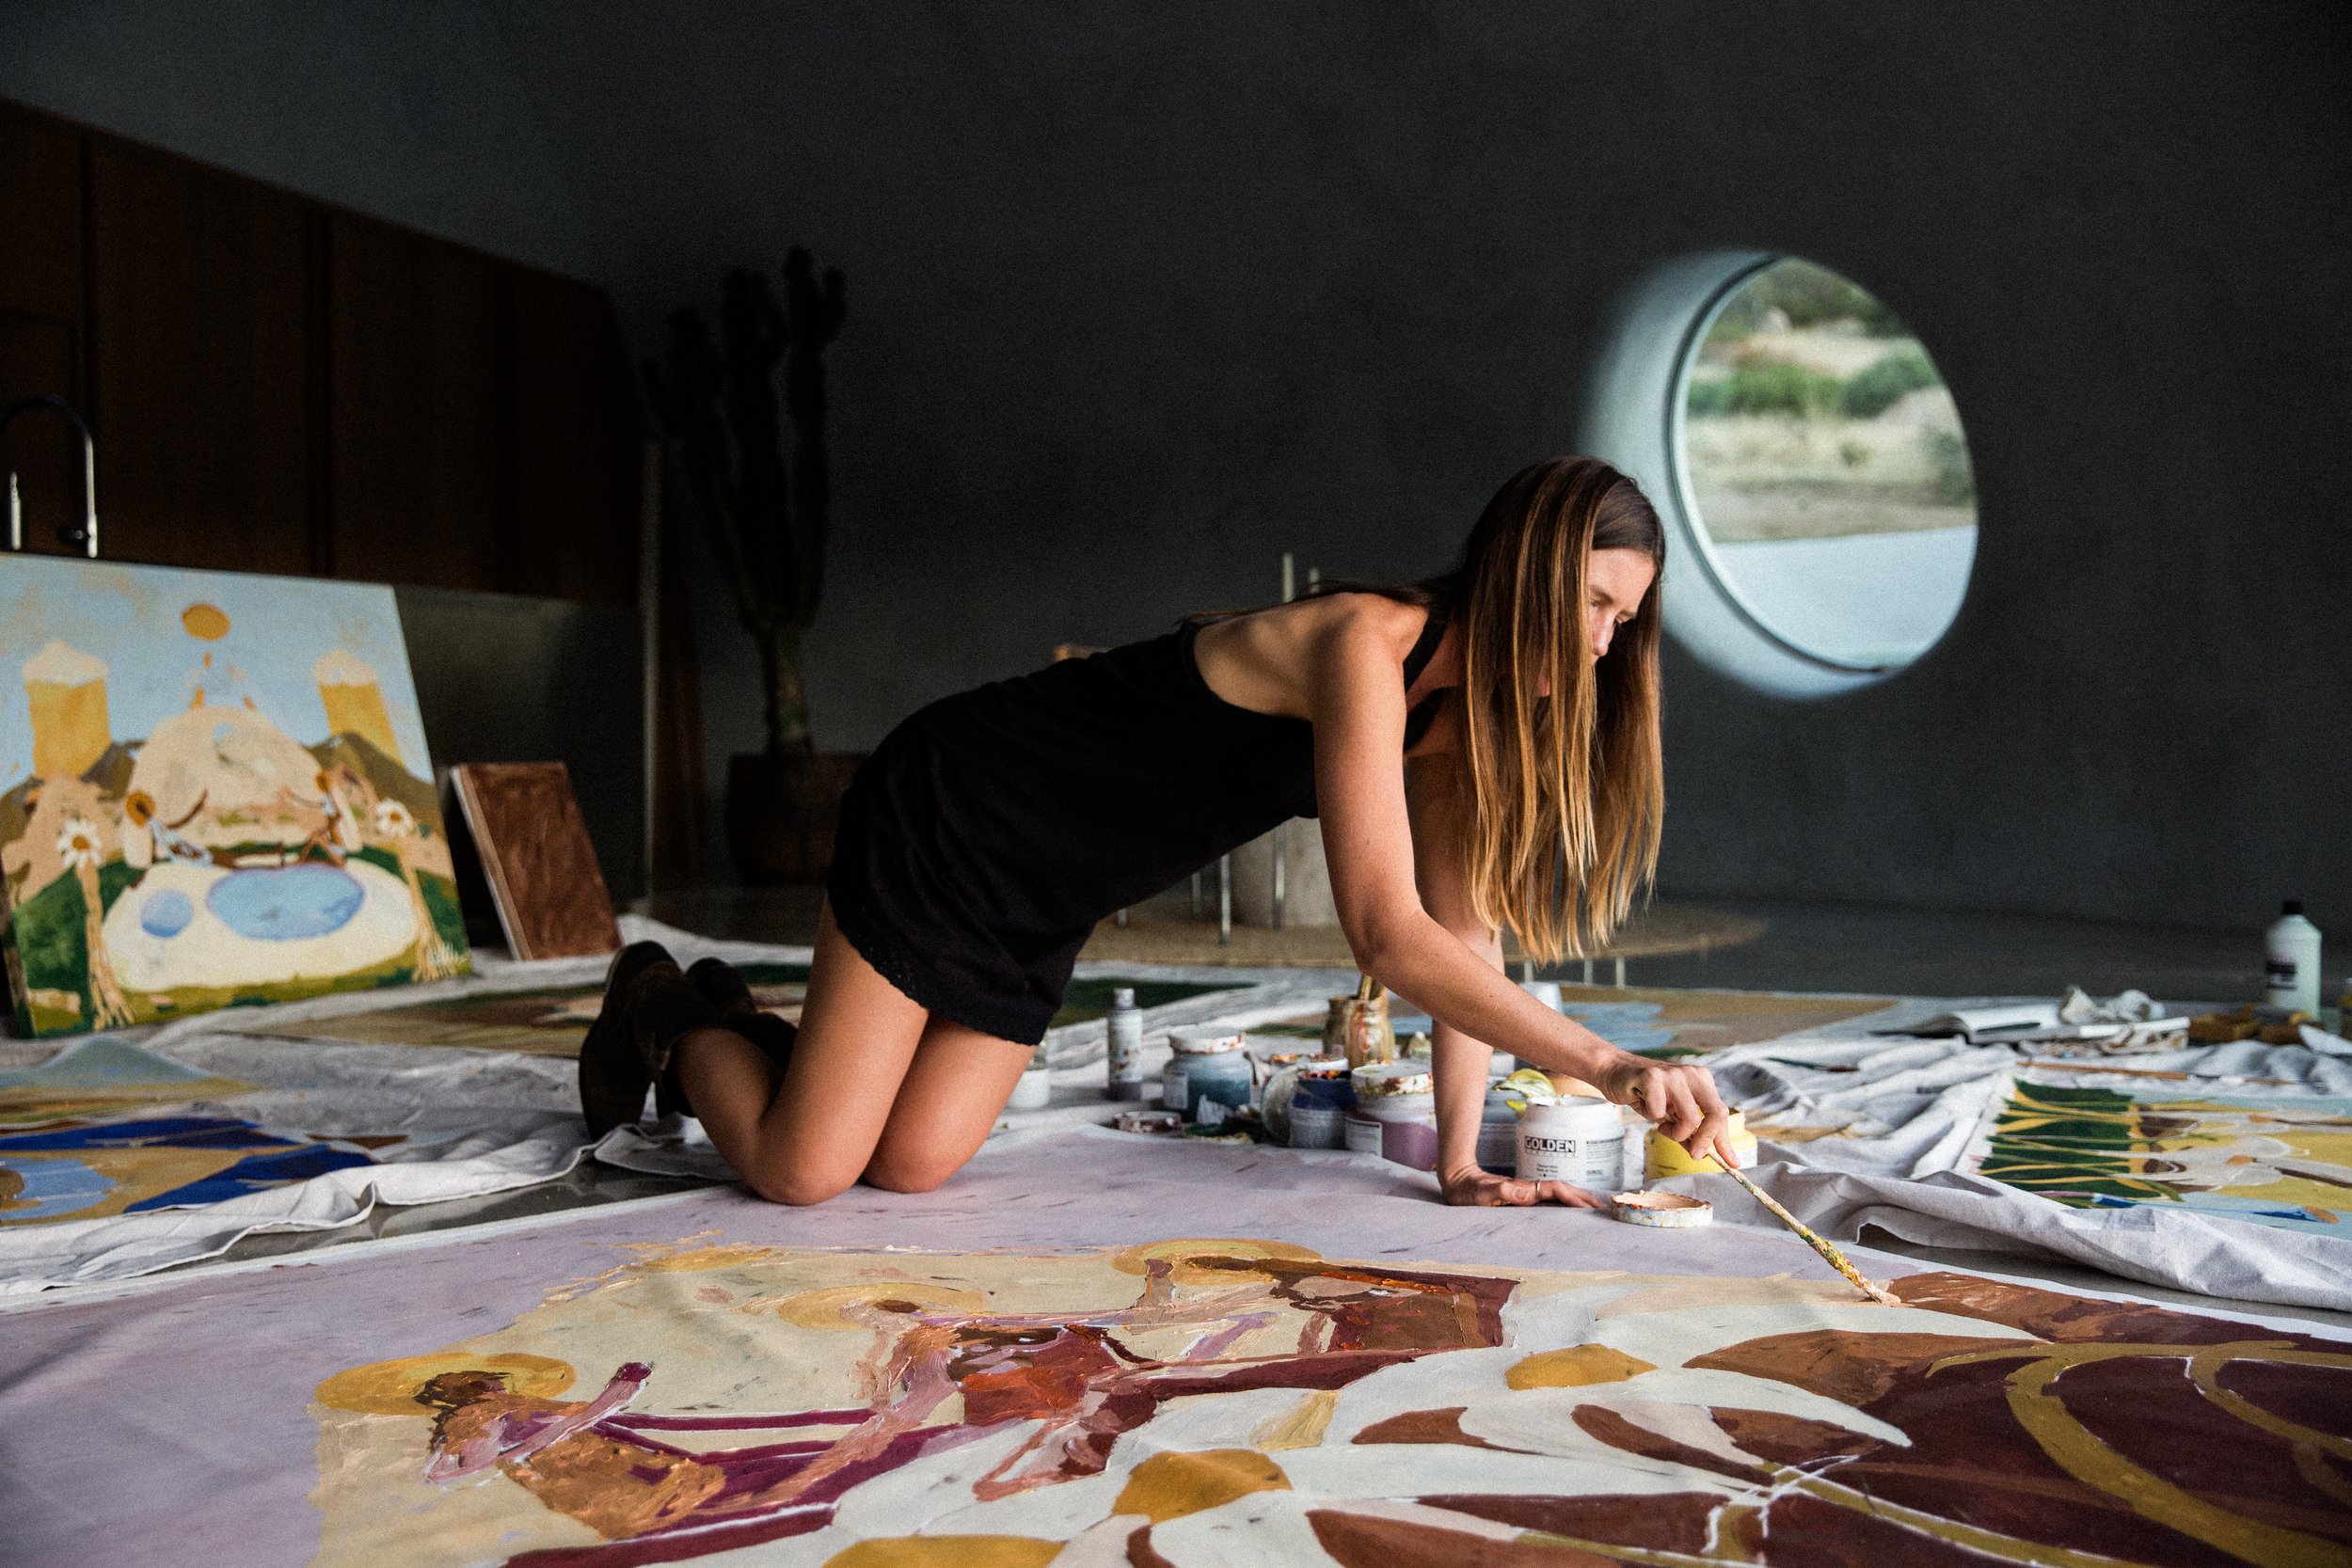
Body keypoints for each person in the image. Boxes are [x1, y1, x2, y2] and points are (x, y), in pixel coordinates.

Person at [581, 456, 1739, 1207]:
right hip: (958, 810)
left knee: (912, 1160)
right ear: (1530, 568)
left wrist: (1458, 1160)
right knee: (803, 1169)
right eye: (1593, 603)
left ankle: (759, 1031)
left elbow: (1458, 936)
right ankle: (669, 1012)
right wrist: (1606, 1061)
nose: (1601, 645)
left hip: (1050, 893)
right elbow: (1386, 936)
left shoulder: (1455, 724)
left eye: (1622, 622)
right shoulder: (1364, 644)